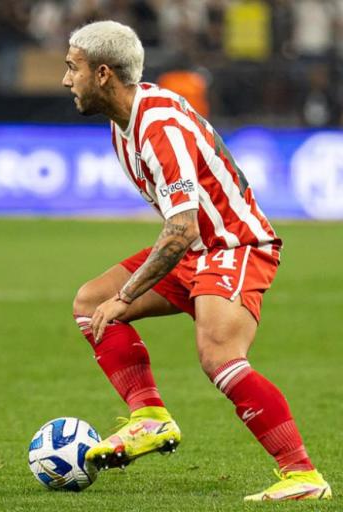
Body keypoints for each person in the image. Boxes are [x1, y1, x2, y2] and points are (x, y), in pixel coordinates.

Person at [62, 21, 331, 502]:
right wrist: (120, 296)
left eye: (72, 68)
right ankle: (149, 418)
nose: (66, 80)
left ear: (103, 74)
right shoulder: (123, 125)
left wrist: (128, 296)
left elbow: (182, 227)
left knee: (219, 356)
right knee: (90, 302)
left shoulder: (158, 127)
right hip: (197, 249)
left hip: (234, 244)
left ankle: (302, 475)